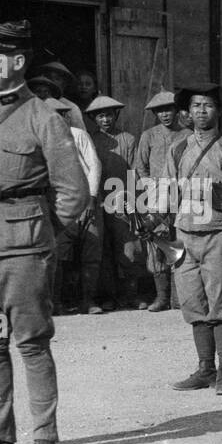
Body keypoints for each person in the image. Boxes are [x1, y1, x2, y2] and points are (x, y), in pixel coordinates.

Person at [0, 20, 88, 444]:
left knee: (30, 342)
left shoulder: (44, 118)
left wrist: (45, 235)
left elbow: (73, 191)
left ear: (17, 61)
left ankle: (45, 437)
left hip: (22, 248)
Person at [166, 83, 222, 396]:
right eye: (196, 106)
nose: (202, 111)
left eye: (208, 105)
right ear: (187, 113)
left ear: (218, 111)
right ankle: (205, 369)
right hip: (184, 235)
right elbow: (165, 192)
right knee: (192, 303)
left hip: (219, 235)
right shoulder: (176, 148)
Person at [48, 97, 104, 315]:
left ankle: (88, 301)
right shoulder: (41, 141)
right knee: (58, 253)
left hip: (84, 201)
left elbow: (94, 165)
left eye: (60, 114)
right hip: (60, 205)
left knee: (91, 250)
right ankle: (56, 302)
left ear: (66, 116)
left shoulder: (78, 134)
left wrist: (90, 197)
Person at [86, 95, 142, 310]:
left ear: (115, 115)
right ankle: (108, 297)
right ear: (94, 119)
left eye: (109, 115)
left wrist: (133, 199)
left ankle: (131, 295)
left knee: (128, 248)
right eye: (101, 116)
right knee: (104, 250)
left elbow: (134, 170)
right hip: (99, 199)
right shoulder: (91, 140)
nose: (106, 120)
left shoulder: (128, 139)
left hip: (121, 198)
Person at [134, 90, 186, 312]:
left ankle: (178, 296)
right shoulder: (149, 135)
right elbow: (140, 166)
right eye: (160, 111)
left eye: (169, 109)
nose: (165, 114)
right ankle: (162, 296)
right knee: (157, 242)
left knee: (180, 240)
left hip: (183, 195)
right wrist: (151, 190)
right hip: (156, 193)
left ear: (177, 111)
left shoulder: (187, 134)